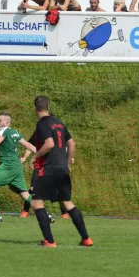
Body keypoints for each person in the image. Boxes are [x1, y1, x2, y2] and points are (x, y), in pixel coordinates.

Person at [29, 95, 93, 248]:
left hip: (48, 168)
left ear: (35, 108)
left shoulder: (42, 124)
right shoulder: (59, 122)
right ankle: (86, 239)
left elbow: (49, 144)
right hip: (62, 168)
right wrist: (68, 161)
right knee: (67, 202)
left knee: (37, 202)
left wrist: (34, 157)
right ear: (48, 106)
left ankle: (49, 241)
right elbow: (71, 143)